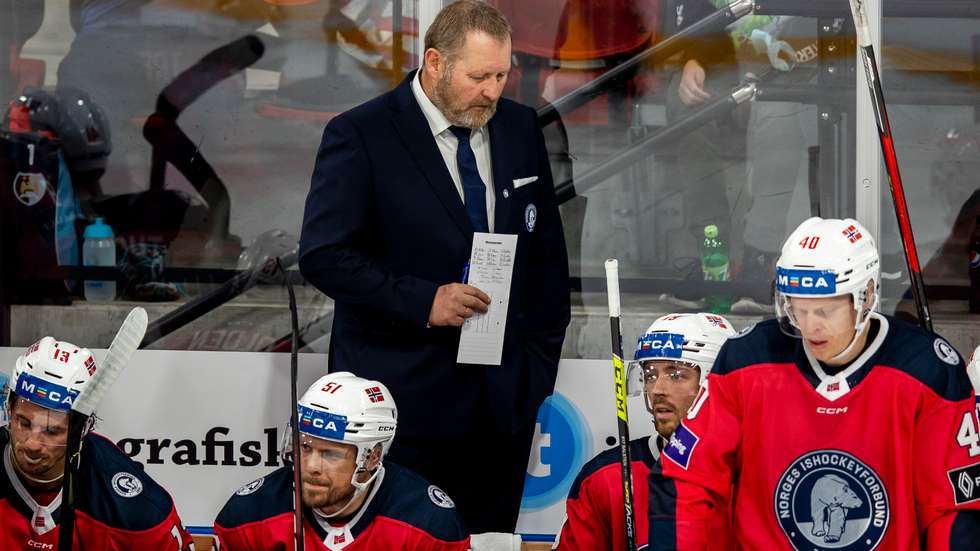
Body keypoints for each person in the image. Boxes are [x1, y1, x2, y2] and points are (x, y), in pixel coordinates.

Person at [298, 0, 570, 533]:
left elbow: (547, 260)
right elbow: (324, 256)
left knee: (490, 541)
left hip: (501, 405)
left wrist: (534, 373)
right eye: (479, 77)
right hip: (402, 405)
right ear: (435, 62)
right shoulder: (361, 133)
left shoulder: (520, 127)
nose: (492, 91)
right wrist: (425, 301)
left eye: (501, 75)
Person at [649, 217, 980, 549]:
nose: (810, 327)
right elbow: (686, 481)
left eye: (825, 311)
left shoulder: (927, 369)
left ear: (866, 295)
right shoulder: (746, 359)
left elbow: (955, 507)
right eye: (799, 309)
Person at [213, 372, 469, 550]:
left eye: (331, 454)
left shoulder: (429, 525)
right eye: (305, 447)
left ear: (372, 457)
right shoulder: (248, 515)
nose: (310, 466)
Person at [554, 312, 736, 550]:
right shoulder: (607, 478)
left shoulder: (762, 474)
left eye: (676, 374)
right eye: (650, 375)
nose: (657, 389)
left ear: (717, 382)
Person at [0, 336, 193, 549]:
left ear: (83, 429)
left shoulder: (138, 512)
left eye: (52, 431)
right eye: (23, 423)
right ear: (9, 408)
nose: (32, 444)